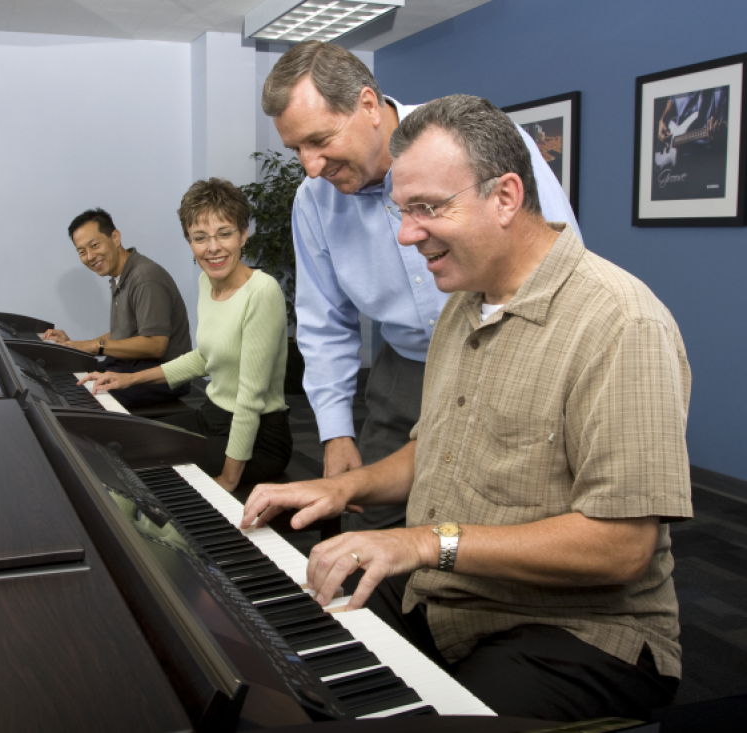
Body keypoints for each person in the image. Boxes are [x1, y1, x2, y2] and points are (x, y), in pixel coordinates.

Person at [241, 95, 693, 722]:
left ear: (506, 196)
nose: (406, 233)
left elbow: (621, 547)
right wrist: (342, 488)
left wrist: (425, 544)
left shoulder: (621, 322)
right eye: (403, 211)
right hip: (456, 595)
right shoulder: (464, 302)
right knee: (288, 655)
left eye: (428, 209)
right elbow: (436, 450)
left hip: (576, 633)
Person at [262, 41, 581, 532]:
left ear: (368, 105)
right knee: (372, 525)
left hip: (510, 357)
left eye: (320, 139)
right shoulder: (313, 203)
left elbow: (556, 255)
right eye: (295, 149)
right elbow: (325, 323)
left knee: (500, 517)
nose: (310, 165)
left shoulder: (475, 142)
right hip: (405, 372)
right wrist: (335, 432)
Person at [81, 179, 292, 492]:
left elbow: (250, 398)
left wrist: (228, 478)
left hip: (259, 437)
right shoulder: (208, 283)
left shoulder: (262, 292)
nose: (213, 247)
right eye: (200, 238)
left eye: (225, 233)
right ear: (190, 242)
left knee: (154, 474)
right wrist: (128, 379)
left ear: (243, 234)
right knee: (123, 445)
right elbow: (205, 357)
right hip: (212, 417)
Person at [43, 208, 192, 409]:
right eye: (82, 251)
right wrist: (74, 344)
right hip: (133, 363)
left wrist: (95, 346)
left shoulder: (145, 278)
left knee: (82, 398)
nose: (90, 256)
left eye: (94, 245)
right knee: (67, 374)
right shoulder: (121, 275)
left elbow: (156, 345)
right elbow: (124, 333)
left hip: (162, 375)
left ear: (115, 237)